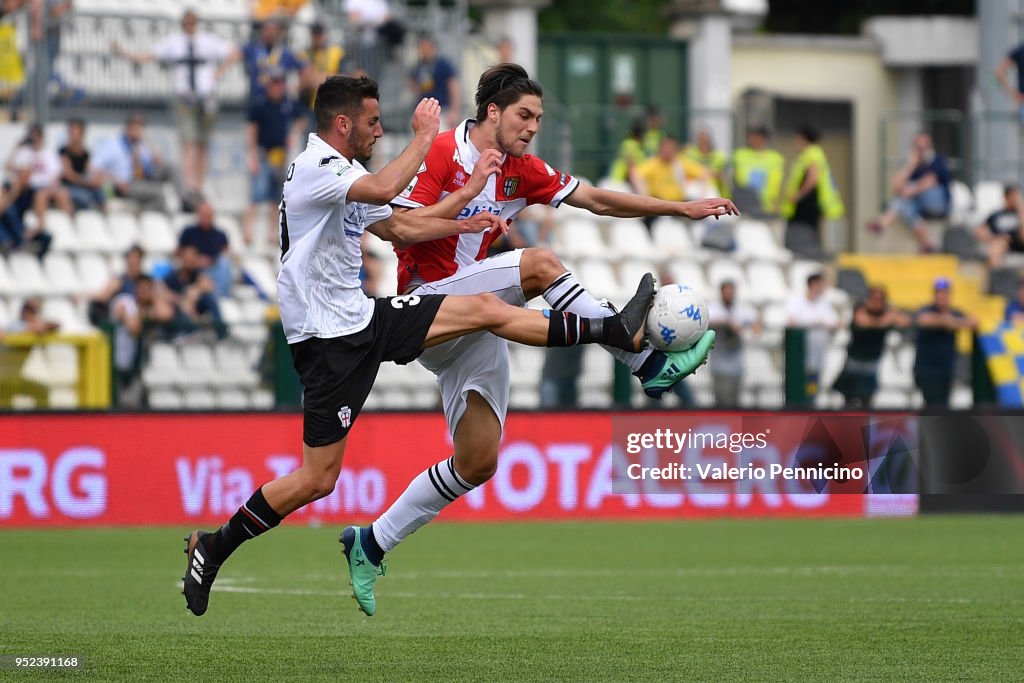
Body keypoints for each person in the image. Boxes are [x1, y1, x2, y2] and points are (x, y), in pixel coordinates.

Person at [181, 76, 660, 618]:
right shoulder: (318, 169)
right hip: (326, 341)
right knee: (317, 479)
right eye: (371, 122)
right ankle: (214, 547)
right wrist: (425, 135)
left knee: (485, 313)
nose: (378, 131)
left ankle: (616, 334)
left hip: (364, 320)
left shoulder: (345, 177)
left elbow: (400, 229)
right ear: (343, 124)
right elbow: (389, 191)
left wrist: (465, 206)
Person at [354, 63, 735, 617]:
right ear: (492, 112)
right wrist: (470, 192)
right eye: (524, 115)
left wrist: (680, 208)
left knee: (478, 462)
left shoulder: (522, 169)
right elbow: (405, 229)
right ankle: (644, 360)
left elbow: (597, 200)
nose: (533, 126)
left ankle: (372, 542)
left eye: (538, 117)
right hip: (428, 309)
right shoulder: (441, 153)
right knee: (538, 264)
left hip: (477, 317)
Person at [114, 10, 239, 203]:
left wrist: (218, 74)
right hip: (185, 98)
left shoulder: (208, 41)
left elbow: (234, 52)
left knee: (202, 144)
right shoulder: (174, 42)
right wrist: (124, 53)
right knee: (189, 143)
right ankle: (189, 186)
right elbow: (148, 57)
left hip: (206, 98)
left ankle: (198, 186)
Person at [244, 69, 306, 245]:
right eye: (274, 83)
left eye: (280, 83)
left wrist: (293, 133)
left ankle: (272, 234)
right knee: (257, 195)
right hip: (263, 153)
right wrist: (252, 155)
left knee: (276, 197)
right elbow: (252, 130)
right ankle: (248, 231)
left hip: (281, 156)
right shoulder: (260, 104)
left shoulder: (288, 104)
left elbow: (301, 119)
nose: (277, 87)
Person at [867, 132, 950, 253]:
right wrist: (910, 165)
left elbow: (930, 182)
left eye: (923, 147)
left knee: (907, 192)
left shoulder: (938, 160)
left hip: (938, 203)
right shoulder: (915, 165)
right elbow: (895, 184)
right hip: (918, 202)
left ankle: (884, 221)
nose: (920, 151)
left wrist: (909, 190)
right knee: (907, 207)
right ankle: (929, 243)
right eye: (917, 147)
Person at [833, 285, 911, 408]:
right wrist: (884, 321)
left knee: (866, 400)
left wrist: (886, 319)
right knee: (848, 399)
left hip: (872, 363)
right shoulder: (860, 308)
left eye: (880, 299)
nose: (877, 303)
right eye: (874, 299)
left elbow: (905, 321)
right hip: (855, 361)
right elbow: (862, 321)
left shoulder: (886, 311)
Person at [0, 122, 68, 251]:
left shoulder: (47, 155)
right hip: (13, 212)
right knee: (8, 210)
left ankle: (26, 236)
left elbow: (55, 176)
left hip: (33, 199)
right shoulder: (11, 184)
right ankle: (18, 239)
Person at [913, 277, 976, 407]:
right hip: (927, 369)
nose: (943, 296)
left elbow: (974, 322)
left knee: (943, 405)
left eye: (946, 293)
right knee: (933, 405)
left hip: (946, 368)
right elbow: (923, 320)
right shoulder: (927, 310)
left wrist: (953, 322)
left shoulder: (955, 312)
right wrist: (946, 321)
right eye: (940, 293)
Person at [91, 114, 172, 212]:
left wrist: (147, 141)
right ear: (128, 128)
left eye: (141, 128)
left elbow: (159, 161)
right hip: (124, 183)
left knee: (172, 168)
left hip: (143, 179)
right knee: (159, 193)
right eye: (136, 127)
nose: (138, 131)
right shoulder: (113, 145)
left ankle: (186, 198)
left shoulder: (142, 145)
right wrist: (116, 180)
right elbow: (95, 167)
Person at [780, 125, 844, 238]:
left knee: (803, 234)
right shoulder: (810, 154)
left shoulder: (812, 153)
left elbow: (812, 178)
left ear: (803, 138)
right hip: (806, 202)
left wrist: (798, 196)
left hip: (807, 203)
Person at [785, 272, 840, 398]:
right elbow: (792, 322)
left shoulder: (825, 304)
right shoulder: (796, 302)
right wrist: (816, 323)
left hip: (818, 357)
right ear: (813, 284)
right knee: (799, 388)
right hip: (800, 357)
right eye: (821, 284)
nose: (824, 287)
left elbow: (834, 324)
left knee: (812, 388)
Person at [708, 280, 760, 408]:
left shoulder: (741, 309)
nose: (729, 294)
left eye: (731, 291)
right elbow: (708, 322)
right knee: (722, 401)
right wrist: (727, 323)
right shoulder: (714, 308)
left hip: (736, 364)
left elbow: (756, 320)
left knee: (735, 402)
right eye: (727, 291)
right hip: (719, 364)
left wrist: (752, 332)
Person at [241, 19, 305, 104]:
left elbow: (305, 70)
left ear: (278, 32)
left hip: (278, 103)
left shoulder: (286, 53)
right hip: (257, 102)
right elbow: (237, 52)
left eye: (273, 30)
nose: (270, 33)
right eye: (267, 30)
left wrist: (292, 89)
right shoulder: (254, 48)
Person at [178, 199, 232, 296]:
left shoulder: (220, 234)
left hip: (214, 268)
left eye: (208, 215)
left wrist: (211, 261)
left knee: (224, 264)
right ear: (198, 215)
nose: (206, 218)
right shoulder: (189, 232)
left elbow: (227, 253)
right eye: (204, 214)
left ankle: (222, 296)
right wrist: (196, 260)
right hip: (193, 268)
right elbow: (179, 252)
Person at [731, 126, 784, 216]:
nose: (751, 140)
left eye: (755, 137)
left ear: (763, 138)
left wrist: (776, 203)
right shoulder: (740, 154)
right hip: (744, 206)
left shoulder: (775, 158)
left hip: (767, 207)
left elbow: (778, 183)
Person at [409, 34, 459, 129]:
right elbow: (414, 85)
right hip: (425, 110)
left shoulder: (443, 65)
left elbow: (453, 87)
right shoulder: (418, 67)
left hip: (442, 109)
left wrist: (454, 110)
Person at [58, 118, 105, 211]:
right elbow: (69, 175)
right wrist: (86, 182)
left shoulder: (85, 153)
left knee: (101, 195)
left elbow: (90, 169)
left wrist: (97, 178)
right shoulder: (64, 152)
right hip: (68, 186)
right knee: (84, 198)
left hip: (82, 185)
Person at [974, 184, 1024, 269]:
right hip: (999, 241)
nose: (1015, 199)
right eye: (1012, 196)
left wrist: (1020, 209)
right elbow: (979, 231)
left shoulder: (1020, 215)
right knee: (997, 245)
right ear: (1006, 197)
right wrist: (993, 237)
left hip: (1018, 242)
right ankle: (997, 275)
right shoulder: (996, 215)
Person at [681, 127, 727, 197]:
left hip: (715, 191)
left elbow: (723, 177)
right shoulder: (689, 154)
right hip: (695, 189)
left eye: (705, 138)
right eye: (701, 138)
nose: (703, 141)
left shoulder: (720, 156)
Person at [608, 118, 646, 186]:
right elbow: (630, 166)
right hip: (620, 181)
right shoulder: (630, 145)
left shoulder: (632, 145)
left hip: (622, 182)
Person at [996, 41, 1024, 123]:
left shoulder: (1019, 50)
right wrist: (1013, 93)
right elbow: (999, 73)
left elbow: (999, 73)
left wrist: (1012, 93)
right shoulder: (1019, 51)